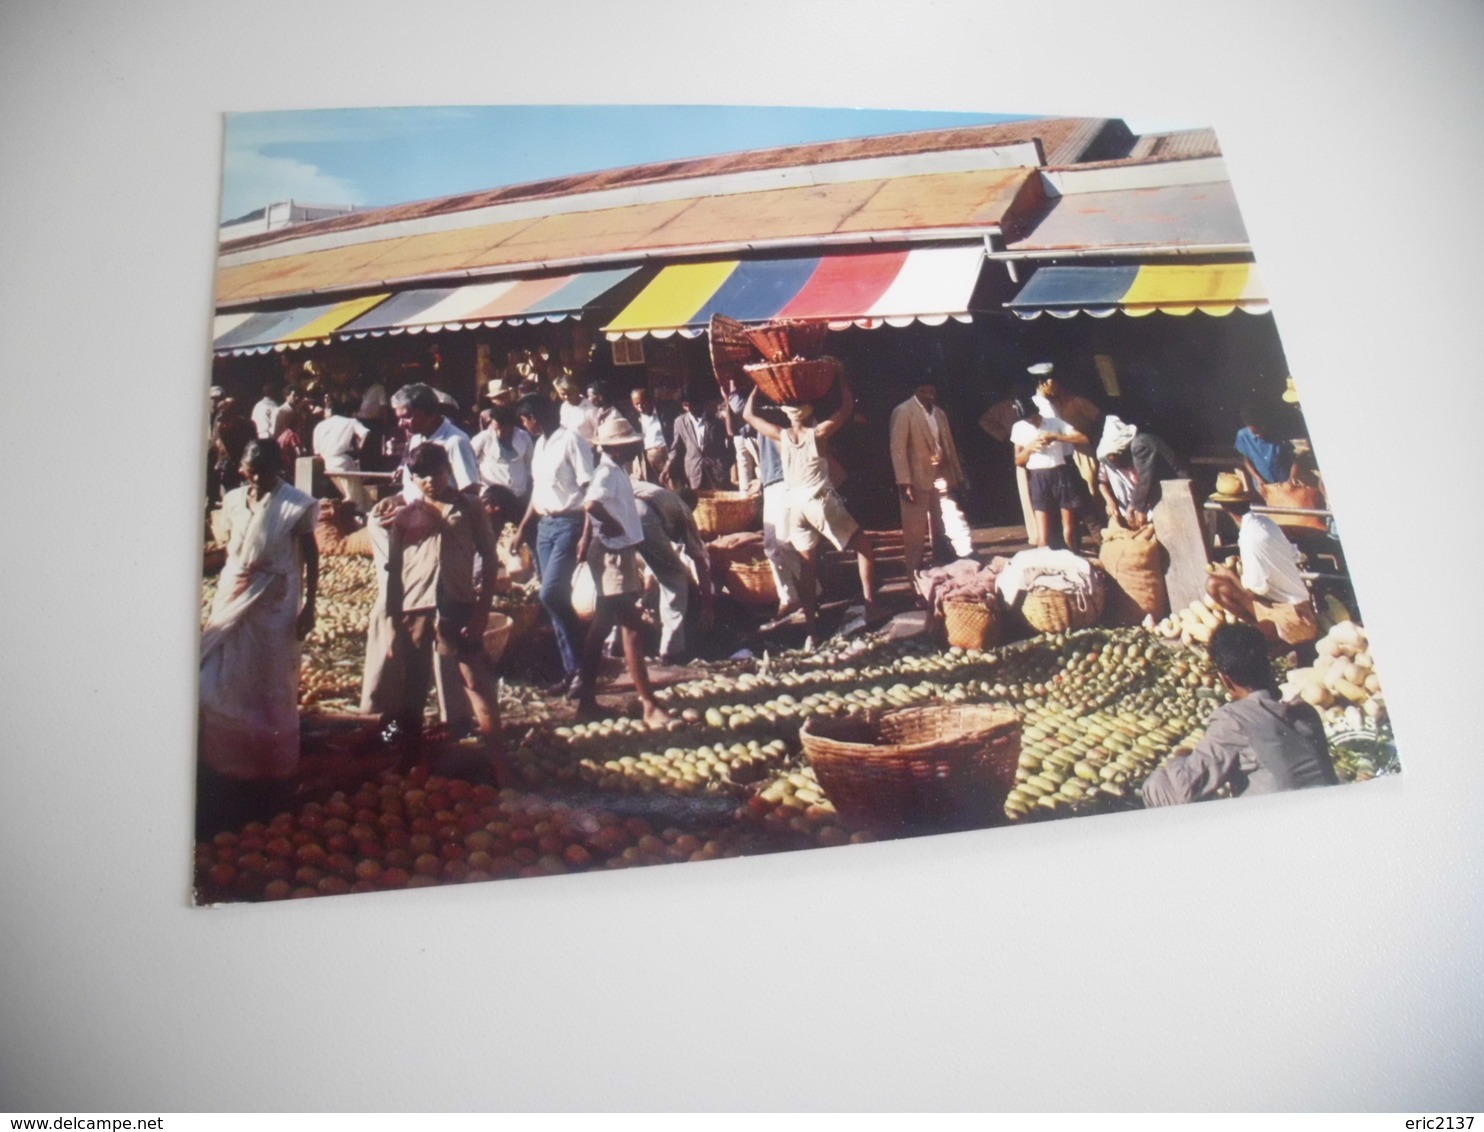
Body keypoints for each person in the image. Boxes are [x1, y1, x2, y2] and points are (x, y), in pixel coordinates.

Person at [197, 441, 318, 837]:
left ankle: (269, 767)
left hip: (273, 601)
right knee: (223, 671)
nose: (255, 479)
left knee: (269, 681)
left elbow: (311, 555)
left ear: (276, 469)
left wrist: (310, 605)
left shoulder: (295, 504)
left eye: (262, 472)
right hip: (235, 591)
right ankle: (226, 759)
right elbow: (231, 544)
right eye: (250, 471)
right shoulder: (234, 499)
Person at [743, 374, 881, 647]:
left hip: (795, 506)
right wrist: (841, 378)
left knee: (807, 566)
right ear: (809, 414)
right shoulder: (818, 433)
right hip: (819, 501)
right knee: (864, 546)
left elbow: (748, 414)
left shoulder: (781, 434)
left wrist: (758, 387)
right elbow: (846, 409)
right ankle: (871, 605)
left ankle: (811, 632)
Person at [1140, 622, 1337, 806]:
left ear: (1225, 680)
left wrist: (1178, 758)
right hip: (1322, 809)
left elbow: (1182, 791)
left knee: (1159, 788)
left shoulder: (1234, 720)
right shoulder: (1306, 713)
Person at [573, 417, 671, 725]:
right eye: (629, 446)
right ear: (616, 449)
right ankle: (649, 704)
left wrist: (588, 537)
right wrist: (610, 525)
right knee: (632, 628)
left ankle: (586, 700)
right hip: (612, 554)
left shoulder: (615, 471)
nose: (634, 449)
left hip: (616, 551)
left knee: (602, 625)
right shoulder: (607, 472)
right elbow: (591, 504)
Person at [512, 393, 596, 693]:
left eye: (526, 419)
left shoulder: (572, 441)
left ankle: (584, 665)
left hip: (570, 524)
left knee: (551, 594)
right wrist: (523, 528)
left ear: (538, 416)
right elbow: (538, 492)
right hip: (544, 527)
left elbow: (590, 490)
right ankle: (574, 670)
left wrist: (587, 534)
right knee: (553, 599)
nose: (525, 424)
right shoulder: (540, 446)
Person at [1204, 476, 1319, 646]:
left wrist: (1228, 574)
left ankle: (1273, 637)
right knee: (1223, 582)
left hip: (1293, 618)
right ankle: (1269, 633)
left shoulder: (1249, 538)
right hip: (1300, 606)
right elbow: (1292, 554)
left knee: (1214, 584)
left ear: (1223, 507)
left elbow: (1253, 590)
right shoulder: (1265, 522)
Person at [889, 383, 967, 579]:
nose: (929, 395)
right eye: (924, 391)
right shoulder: (904, 411)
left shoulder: (939, 413)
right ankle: (912, 577)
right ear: (915, 390)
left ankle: (940, 572)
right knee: (915, 533)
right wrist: (904, 482)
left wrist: (956, 475)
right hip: (916, 479)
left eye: (932, 390)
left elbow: (948, 445)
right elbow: (898, 450)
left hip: (939, 475)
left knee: (940, 524)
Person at [632, 479, 715, 662]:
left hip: (615, 510)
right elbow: (701, 563)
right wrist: (707, 608)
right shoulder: (683, 511)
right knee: (675, 579)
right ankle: (671, 651)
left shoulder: (658, 494)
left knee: (619, 585)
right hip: (640, 513)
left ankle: (613, 646)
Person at [1010, 394, 1090, 553]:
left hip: (1059, 473)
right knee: (1043, 535)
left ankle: (1074, 559)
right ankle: (1045, 564)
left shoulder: (1053, 423)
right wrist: (1029, 448)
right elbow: (1018, 460)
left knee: (1069, 528)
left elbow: (1083, 438)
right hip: (1038, 477)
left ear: (1037, 411)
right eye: (1027, 420)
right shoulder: (1019, 427)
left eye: (1032, 418)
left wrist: (1056, 437)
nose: (1031, 422)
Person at [1095, 415, 1189, 530]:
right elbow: (1102, 482)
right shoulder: (1116, 457)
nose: (1113, 461)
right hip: (1159, 494)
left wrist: (1136, 507)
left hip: (1176, 488)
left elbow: (1145, 480)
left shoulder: (1140, 445)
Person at [390, 382, 480, 497]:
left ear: (430, 413)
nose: (400, 424)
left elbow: (470, 491)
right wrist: (394, 501)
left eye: (406, 417)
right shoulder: (416, 439)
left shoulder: (455, 441)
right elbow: (411, 490)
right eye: (399, 418)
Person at [1031, 362, 1101, 497]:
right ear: (1043, 382)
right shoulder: (1043, 406)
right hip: (1060, 460)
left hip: (1072, 454)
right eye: (1053, 381)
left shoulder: (1051, 404)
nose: (1057, 385)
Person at [313, 391, 372, 509]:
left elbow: (317, 452)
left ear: (329, 410)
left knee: (353, 496)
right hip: (343, 463)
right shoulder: (350, 421)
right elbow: (366, 432)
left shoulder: (319, 426)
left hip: (328, 465)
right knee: (357, 501)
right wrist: (360, 448)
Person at [470, 402, 534, 511]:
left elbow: (530, 464)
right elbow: (469, 461)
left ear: (512, 426)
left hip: (519, 496)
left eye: (503, 429)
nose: (499, 433)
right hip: (492, 500)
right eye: (496, 429)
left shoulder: (524, 437)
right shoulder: (483, 438)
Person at [665, 388, 730, 491]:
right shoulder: (679, 422)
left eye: (693, 405)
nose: (689, 409)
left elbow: (723, 449)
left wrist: (723, 467)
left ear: (701, 404)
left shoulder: (716, 422)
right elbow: (675, 448)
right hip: (694, 472)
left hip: (715, 473)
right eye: (686, 405)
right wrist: (667, 466)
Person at [1234, 400, 1294, 494]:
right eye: (1254, 433)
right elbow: (1247, 460)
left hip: (1285, 485)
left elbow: (1295, 460)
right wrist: (1258, 478)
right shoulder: (1242, 435)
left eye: (1261, 430)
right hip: (1263, 486)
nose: (1259, 435)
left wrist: (1291, 479)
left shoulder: (1278, 434)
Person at [630, 385, 672, 483]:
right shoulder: (634, 419)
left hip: (665, 454)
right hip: (647, 458)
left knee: (672, 486)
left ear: (649, 400)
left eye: (642, 403)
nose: (640, 407)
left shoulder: (663, 415)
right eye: (636, 404)